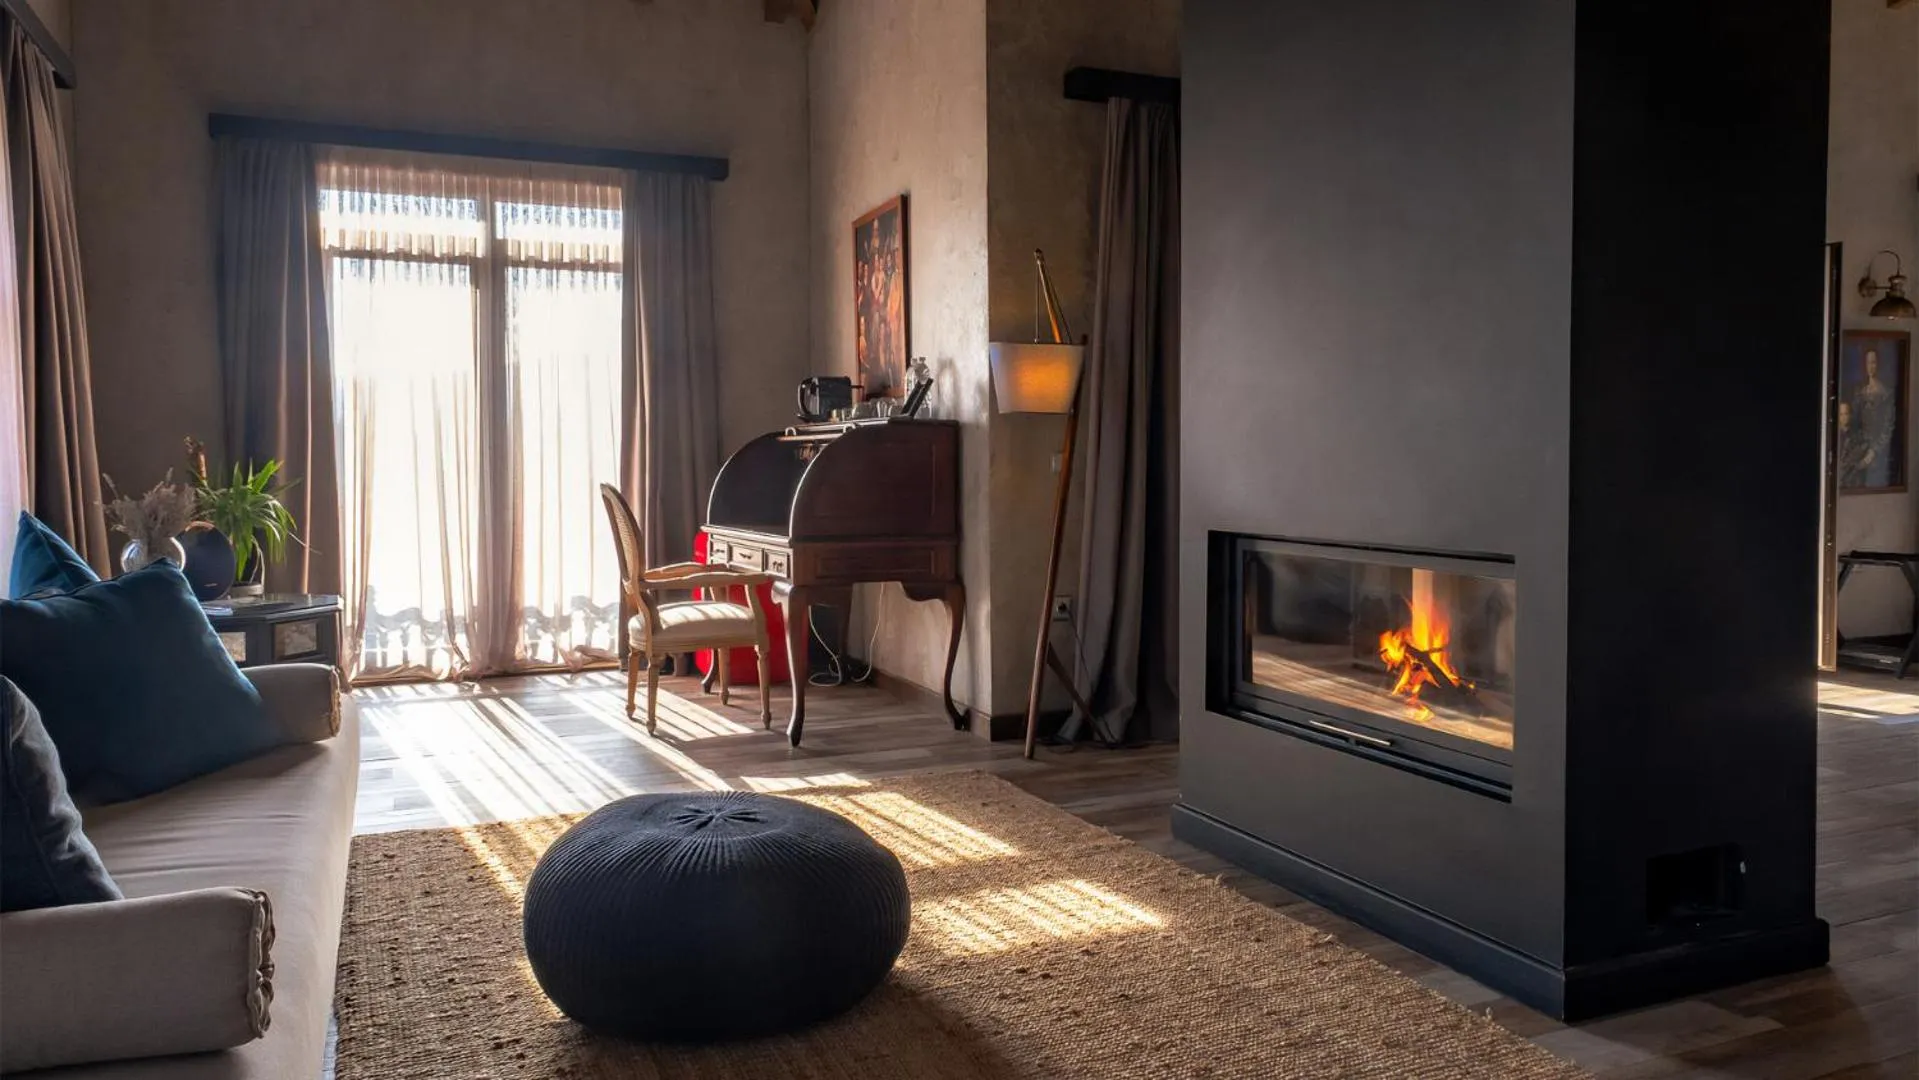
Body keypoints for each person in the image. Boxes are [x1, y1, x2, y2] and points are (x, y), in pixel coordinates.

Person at [1849, 348, 1898, 488]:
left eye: (1874, 362)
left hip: (1879, 453)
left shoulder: (1886, 394)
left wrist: (1873, 451)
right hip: (1860, 450)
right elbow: (1854, 423)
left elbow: (1888, 427)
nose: (1871, 366)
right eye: (1868, 363)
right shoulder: (1860, 392)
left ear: (1878, 364)